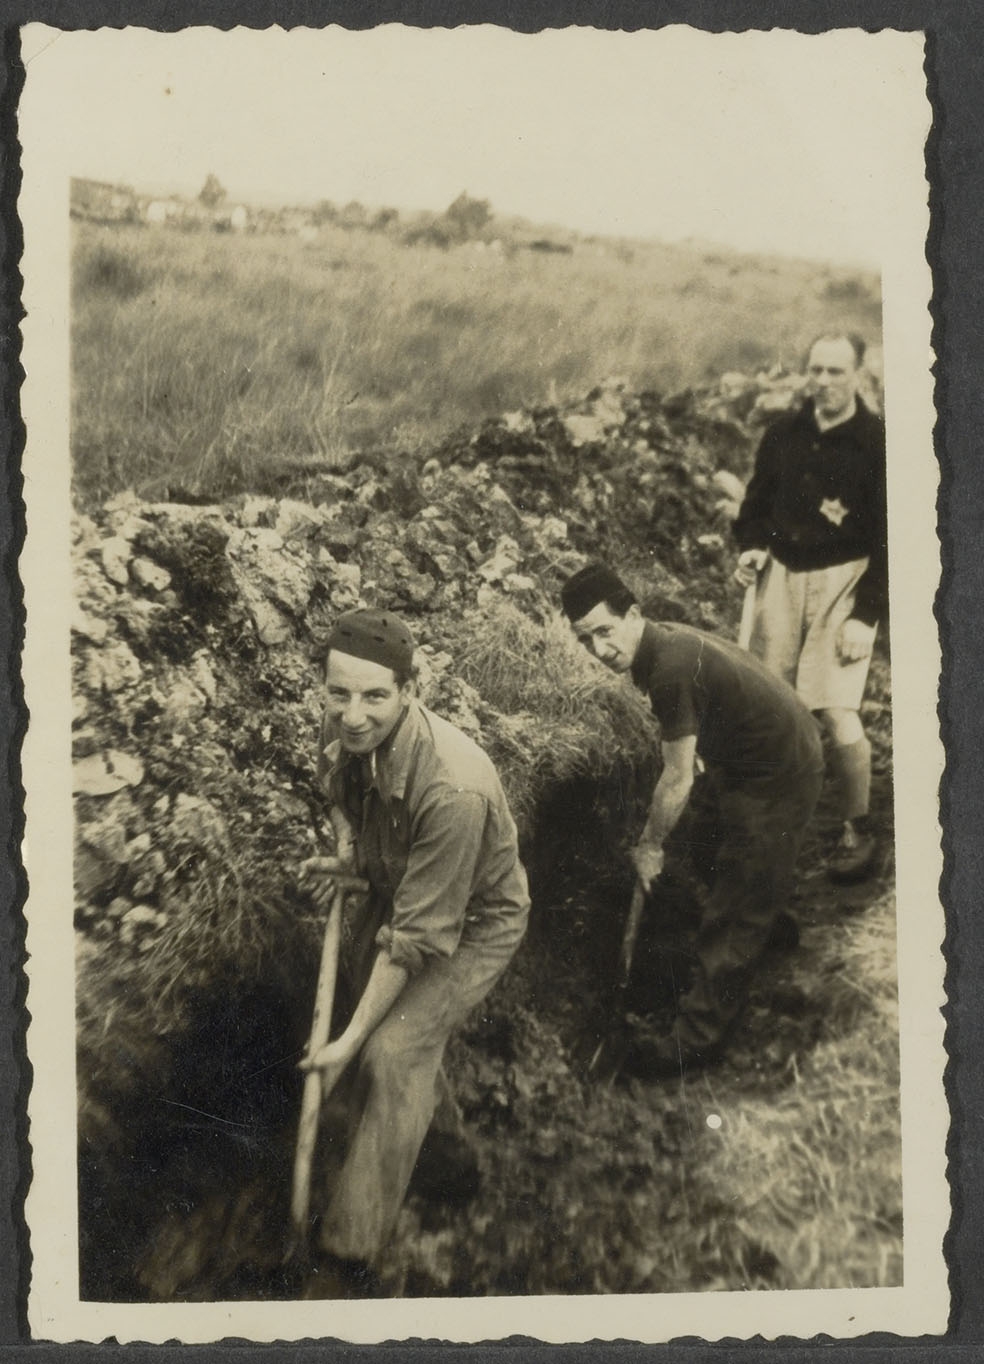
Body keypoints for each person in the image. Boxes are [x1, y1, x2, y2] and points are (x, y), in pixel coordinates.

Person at [297, 608, 530, 1294]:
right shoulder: (346, 725)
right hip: (401, 885)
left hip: (473, 922)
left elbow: (419, 938)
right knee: (384, 1026)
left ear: (410, 689)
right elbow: (337, 788)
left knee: (391, 1049)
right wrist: (352, 857)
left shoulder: (453, 787)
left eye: (374, 696)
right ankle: (449, 1159)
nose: (353, 712)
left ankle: (347, 1253)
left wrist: (349, 1042)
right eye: (338, 694)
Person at [561, 562, 824, 1077]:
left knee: (735, 902)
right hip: (758, 753)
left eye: (605, 632)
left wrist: (650, 845)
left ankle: (695, 1042)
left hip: (779, 771)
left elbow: (677, 777)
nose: (598, 650)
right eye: (584, 639)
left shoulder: (669, 671)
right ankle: (769, 918)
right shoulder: (664, 643)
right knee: (706, 842)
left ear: (633, 615)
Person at [733, 332, 888, 883]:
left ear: (858, 376)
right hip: (781, 577)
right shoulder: (783, 434)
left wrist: (866, 617)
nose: (823, 382)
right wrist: (750, 545)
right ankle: (768, 824)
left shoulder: (876, 442)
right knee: (771, 700)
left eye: (836, 372)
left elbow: (892, 537)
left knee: (837, 710)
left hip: (844, 583)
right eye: (816, 371)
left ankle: (856, 829)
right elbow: (754, 506)